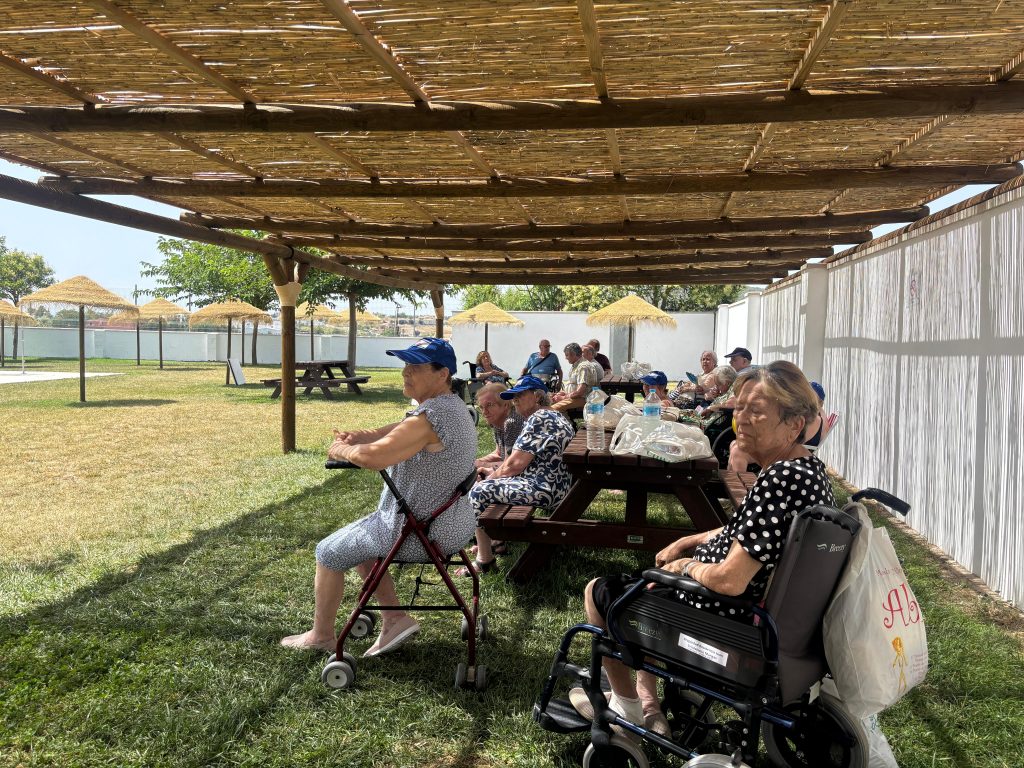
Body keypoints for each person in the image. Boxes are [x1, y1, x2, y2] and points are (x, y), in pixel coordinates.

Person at [572, 361, 834, 736]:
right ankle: (648, 702)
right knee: (648, 585)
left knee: (600, 591)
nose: (740, 419)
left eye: (756, 411)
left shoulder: (779, 479)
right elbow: (749, 531)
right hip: (765, 623)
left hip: (724, 623)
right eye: (739, 407)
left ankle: (627, 708)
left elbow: (729, 580)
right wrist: (688, 541)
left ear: (795, 424)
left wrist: (686, 567)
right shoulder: (807, 470)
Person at [280, 338, 477, 658]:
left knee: (327, 552)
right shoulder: (450, 408)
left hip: (420, 532)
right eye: (406, 364)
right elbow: (396, 431)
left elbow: (374, 457)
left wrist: (342, 449)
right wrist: (360, 436)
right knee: (362, 542)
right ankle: (394, 618)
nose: (405, 372)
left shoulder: (431, 417)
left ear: (442, 374)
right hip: (450, 524)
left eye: (415, 366)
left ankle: (321, 636)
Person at [460, 376, 575, 576]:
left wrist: (490, 478)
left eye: (520, 395)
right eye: (513, 397)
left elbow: (514, 465)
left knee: (478, 491)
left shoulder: (539, 418)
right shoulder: (554, 415)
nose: (515, 400)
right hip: (556, 485)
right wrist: (494, 473)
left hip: (544, 489)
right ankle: (494, 541)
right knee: (487, 484)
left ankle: (485, 561)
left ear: (537, 396)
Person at [474, 382, 527, 472]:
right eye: (481, 407)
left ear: (505, 405)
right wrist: (476, 462)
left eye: (489, 405)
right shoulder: (497, 420)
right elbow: (498, 454)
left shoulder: (512, 422)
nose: (484, 412)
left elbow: (510, 464)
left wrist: (481, 464)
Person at [551, 342, 602, 413]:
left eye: (567, 355)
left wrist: (563, 397)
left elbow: (580, 392)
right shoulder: (576, 365)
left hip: (584, 399)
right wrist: (562, 393)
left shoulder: (583, 367)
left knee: (552, 409)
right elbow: (573, 385)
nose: (566, 358)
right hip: (574, 397)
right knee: (548, 402)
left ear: (573, 354)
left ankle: (564, 420)